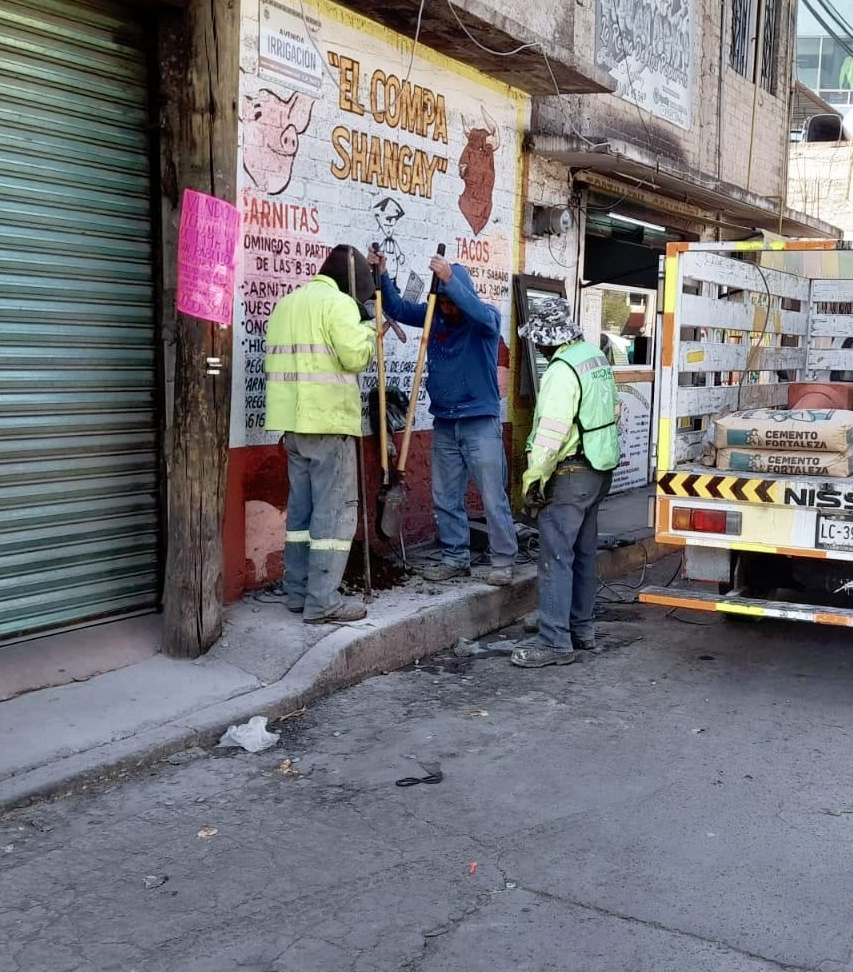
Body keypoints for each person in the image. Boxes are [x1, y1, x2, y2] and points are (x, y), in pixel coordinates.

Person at [373, 249, 517, 585]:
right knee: (446, 496)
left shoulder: (484, 321)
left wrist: (451, 282)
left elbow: (478, 313)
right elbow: (395, 307)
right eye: (444, 302)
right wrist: (382, 274)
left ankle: (504, 561)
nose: (448, 309)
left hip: (479, 420)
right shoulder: (434, 317)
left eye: (452, 302)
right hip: (445, 421)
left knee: (492, 495)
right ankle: (455, 557)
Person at [265, 245, 376, 624]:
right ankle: (323, 601)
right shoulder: (339, 305)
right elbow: (355, 357)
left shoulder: (287, 304)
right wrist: (368, 328)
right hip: (328, 424)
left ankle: (298, 594)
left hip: (293, 425)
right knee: (333, 515)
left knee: (301, 513)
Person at [512, 299, 621, 669]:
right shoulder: (595, 356)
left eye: (538, 341)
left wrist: (533, 480)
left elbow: (550, 434)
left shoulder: (560, 371)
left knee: (556, 556)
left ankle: (555, 641)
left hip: (571, 473)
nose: (537, 348)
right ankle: (581, 630)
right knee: (584, 554)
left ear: (546, 340)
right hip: (598, 470)